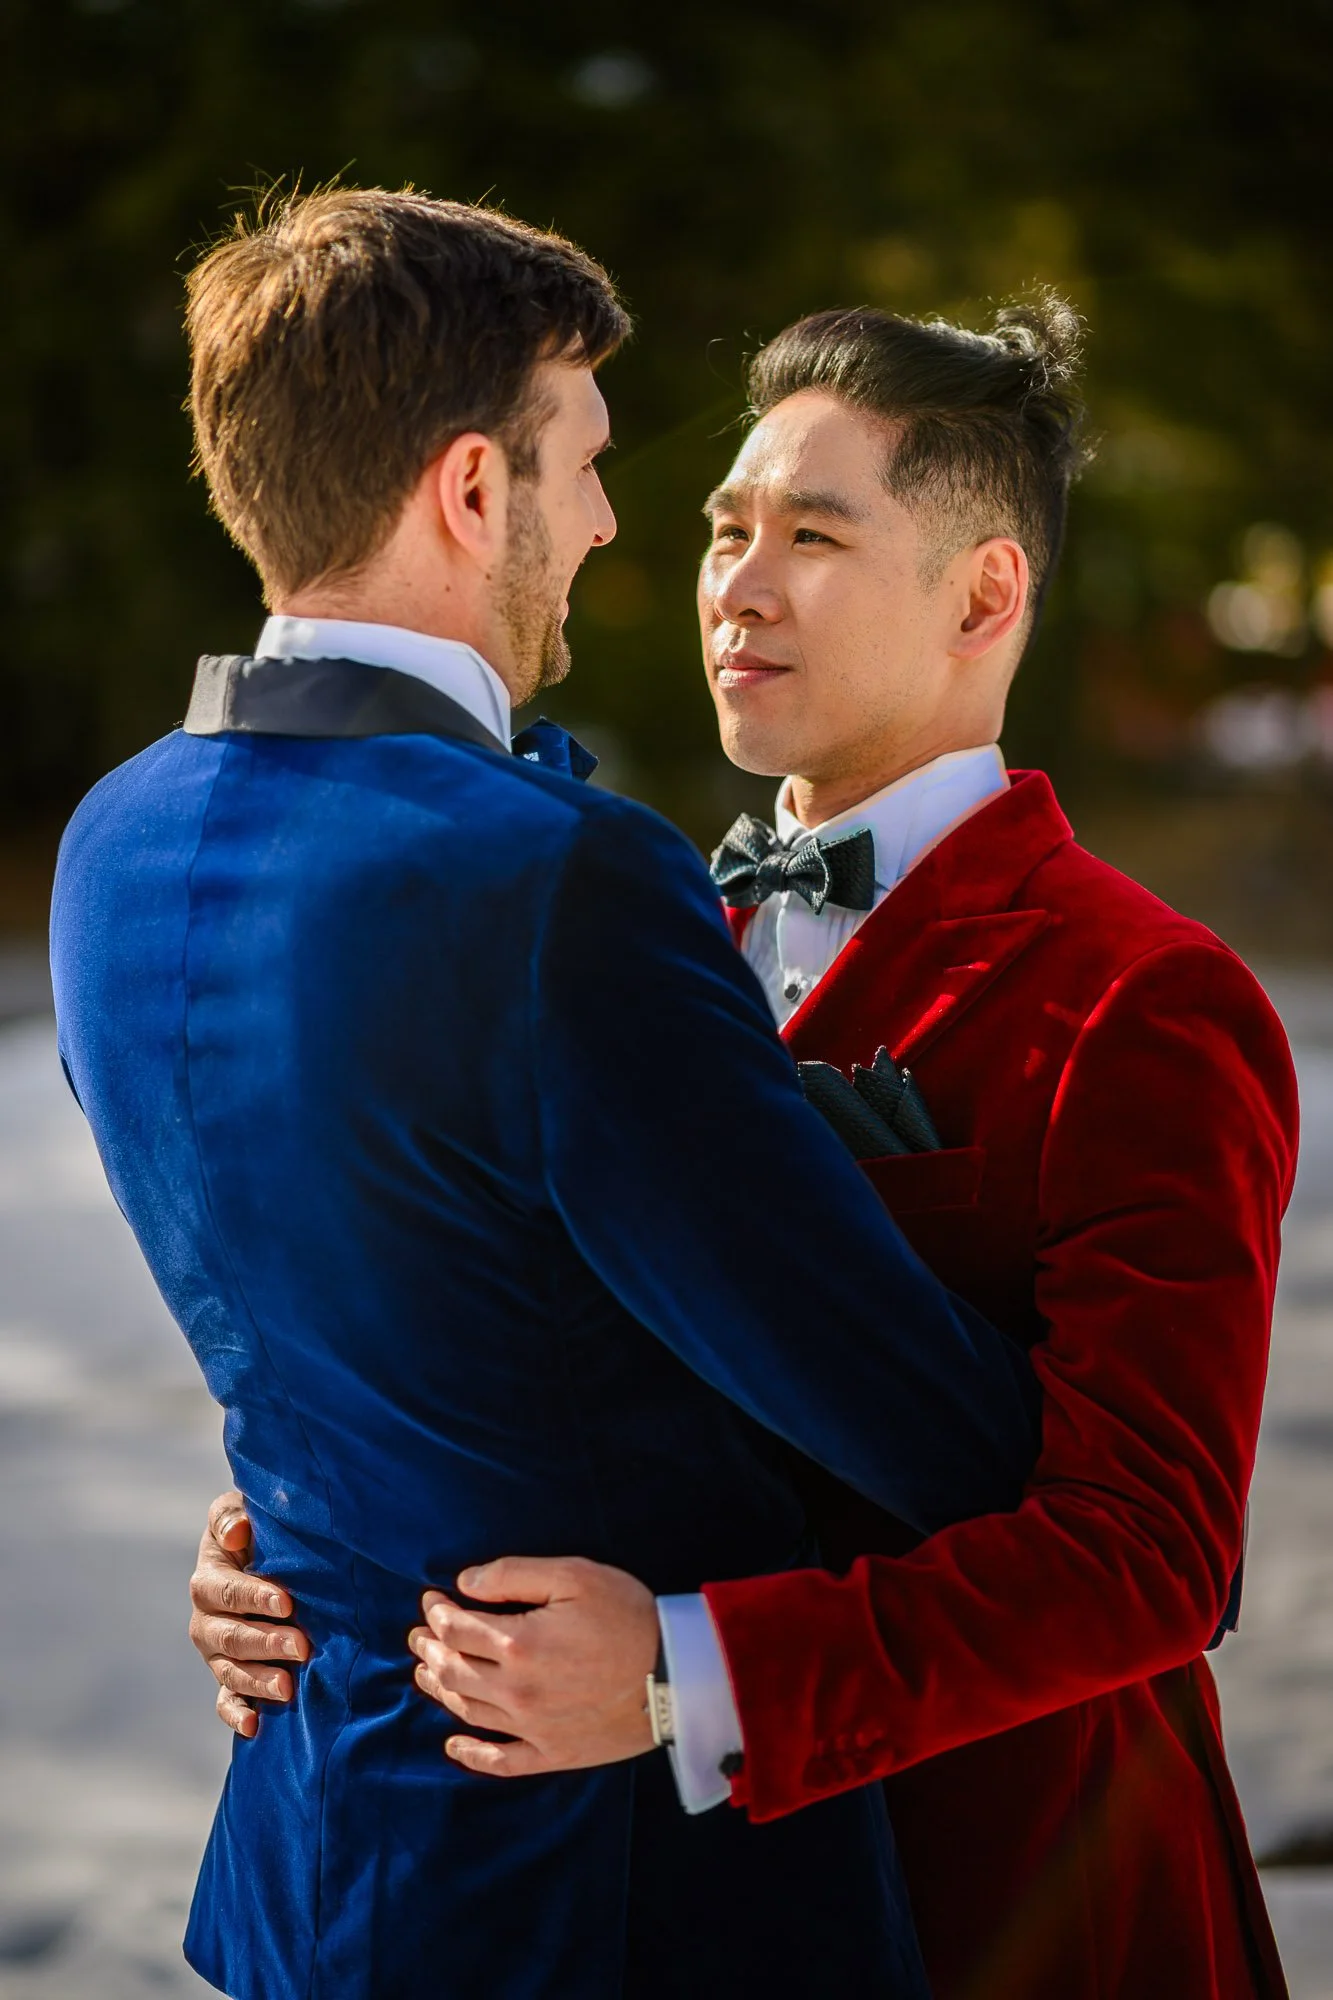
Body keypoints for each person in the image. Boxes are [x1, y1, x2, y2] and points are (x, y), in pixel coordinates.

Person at [192, 292, 1299, 1999]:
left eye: (814, 535)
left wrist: (688, 1676)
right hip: (655, 1911)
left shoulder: (1147, 999)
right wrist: (313, 1537)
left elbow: (1157, 1553)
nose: (738, 582)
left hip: (1003, 1898)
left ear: (986, 593)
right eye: (725, 527)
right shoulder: (599, 922)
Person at [50, 188, 1039, 2000]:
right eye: (580, 459)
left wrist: (302, 1517)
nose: (604, 517)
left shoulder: (111, 842)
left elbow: (354, 1293)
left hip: (309, 1863)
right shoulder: (552, 877)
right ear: (471, 489)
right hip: (603, 1893)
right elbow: (917, 1429)